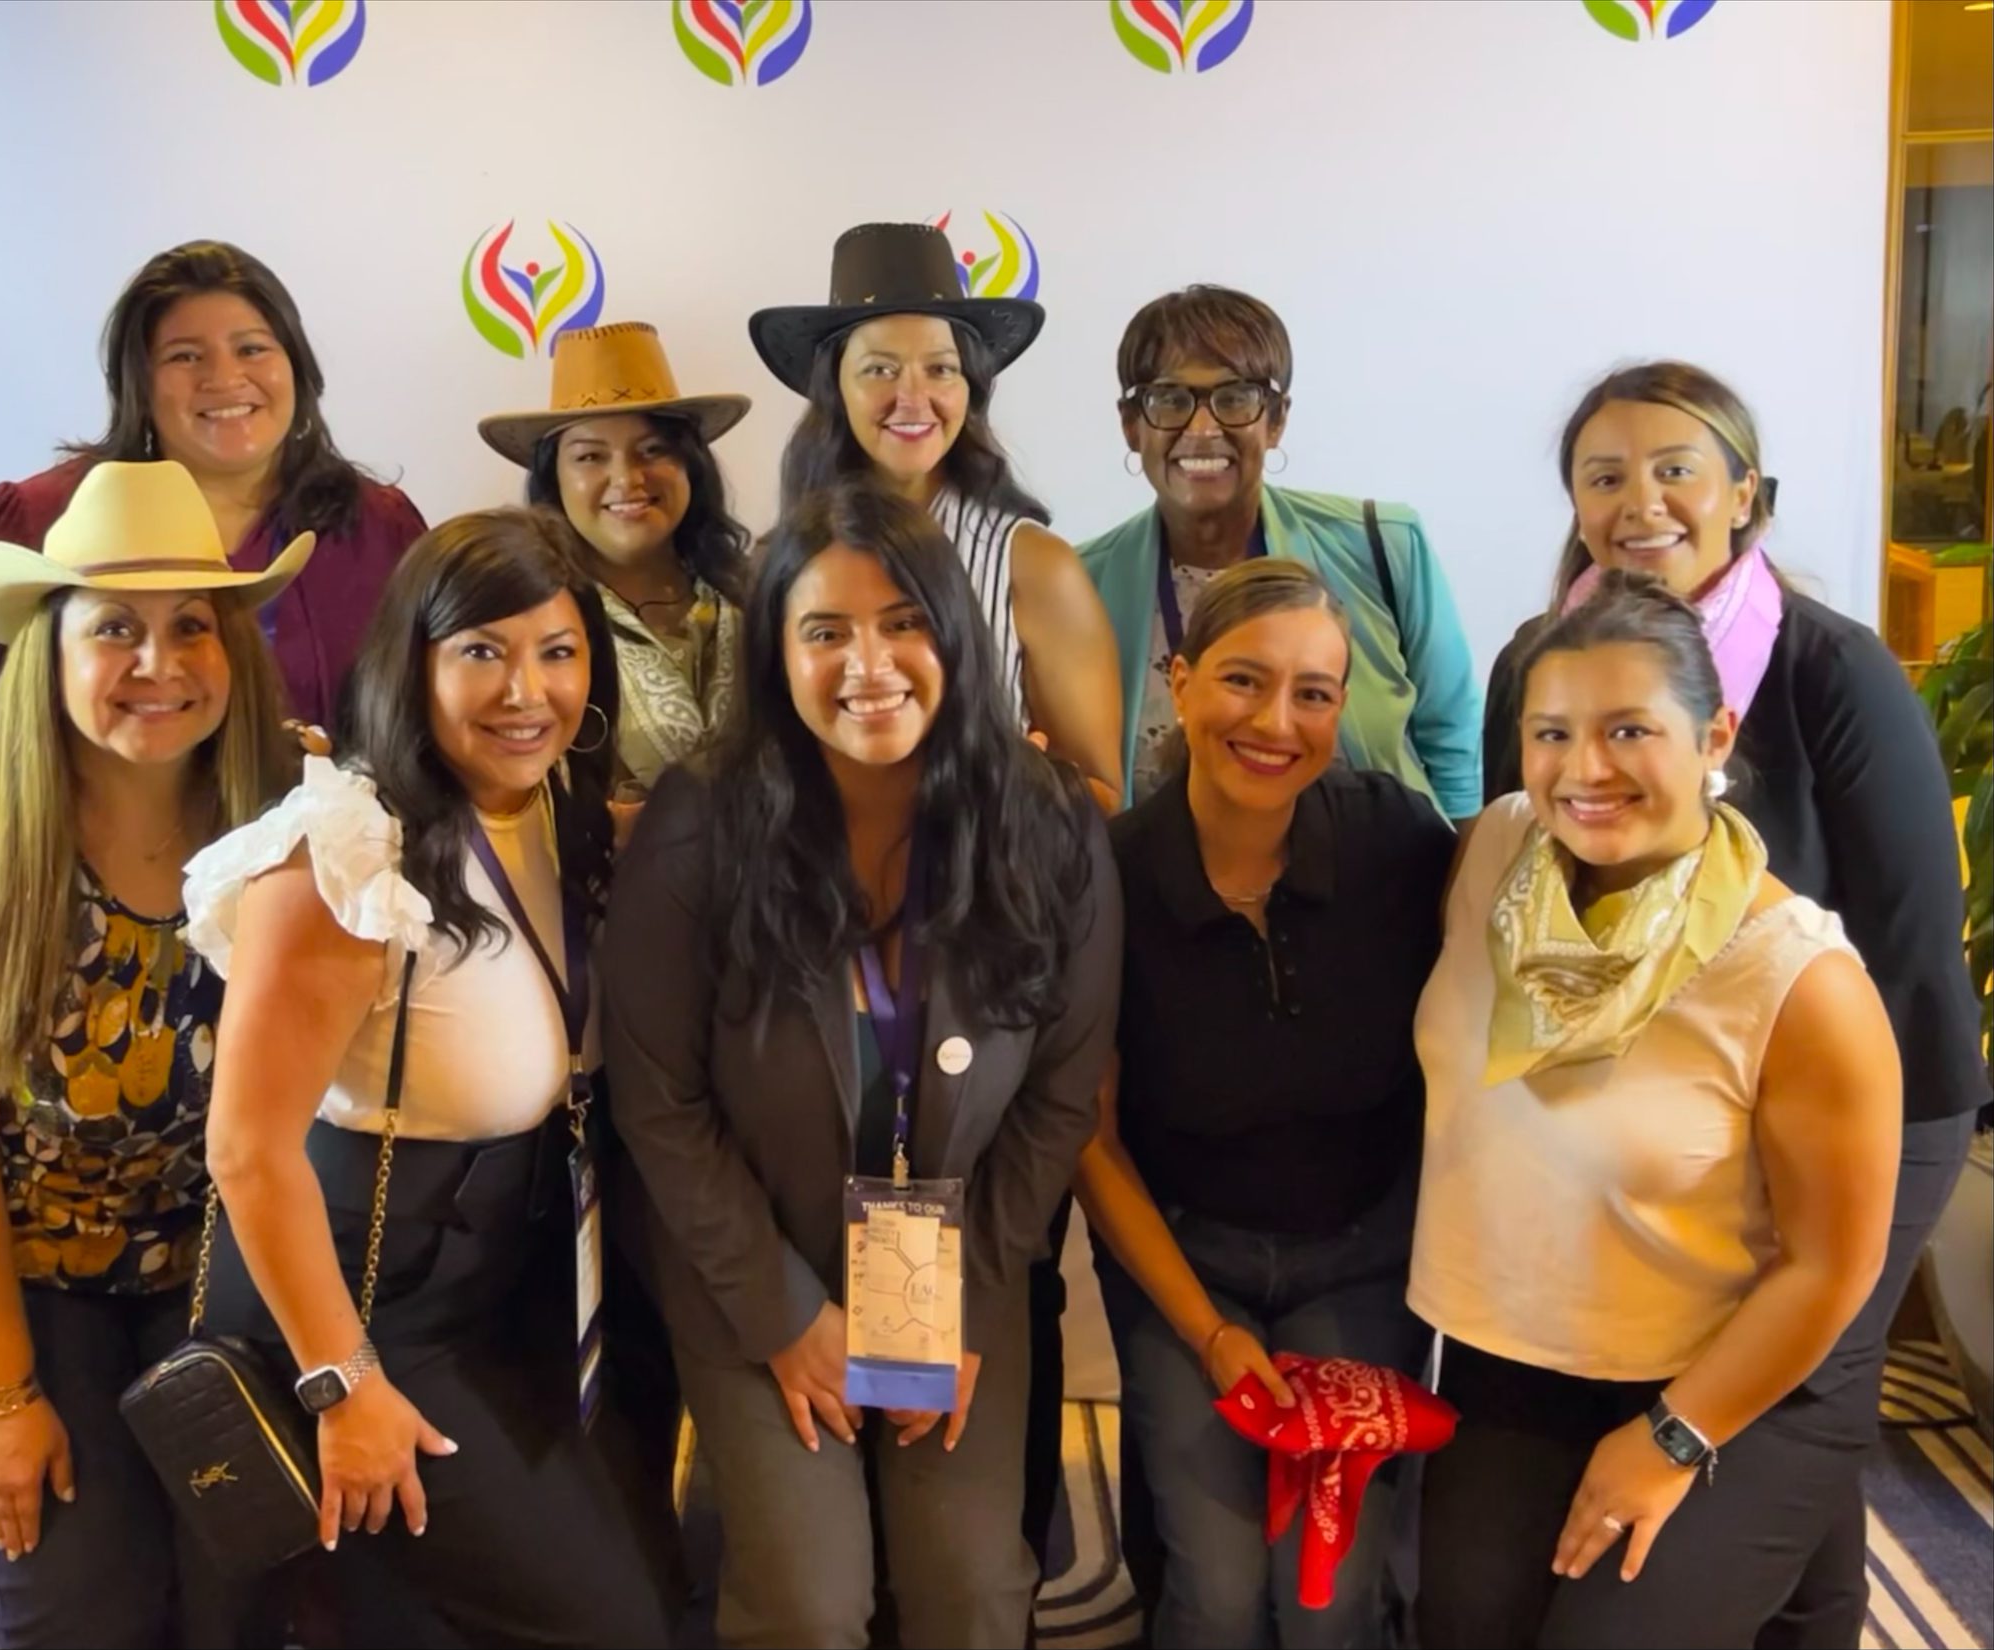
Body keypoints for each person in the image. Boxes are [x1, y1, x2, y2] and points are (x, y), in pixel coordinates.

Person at [1478, 362, 1989, 1645]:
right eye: (1604, 477)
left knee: (1781, 1401)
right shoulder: (1534, 671)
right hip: (1671, 1136)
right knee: (1762, 1447)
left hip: (1869, 1117)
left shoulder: (1834, 673)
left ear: (1742, 494)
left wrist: (1883, 1199)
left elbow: (1919, 959)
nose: (1638, 502)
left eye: (1674, 470)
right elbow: (1524, 884)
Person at [603, 478, 1120, 1648]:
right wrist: (784, 1315)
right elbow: (661, 1101)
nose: (868, 663)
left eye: (904, 624)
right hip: (752, 1255)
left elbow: (1057, 1096)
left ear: (956, 636)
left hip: (958, 1256)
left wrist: (963, 1299)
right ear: (776, 655)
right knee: (808, 1597)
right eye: (824, 631)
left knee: (971, 1589)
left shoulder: (1047, 824)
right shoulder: (701, 821)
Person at [181, 508, 686, 1647]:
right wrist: (339, 1384)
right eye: (481, 653)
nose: (525, 691)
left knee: (653, 1581)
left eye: (557, 653)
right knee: (610, 1625)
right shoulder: (347, 854)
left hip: (531, 1283)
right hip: (376, 1305)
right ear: (411, 662)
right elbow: (246, 1152)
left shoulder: (558, 808)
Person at [1412, 572, 1902, 1647]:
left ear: (1714, 731)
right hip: (1517, 1362)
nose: (1583, 770)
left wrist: (1674, 1437)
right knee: (1457, 1624)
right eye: (1551, 733)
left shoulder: (1798, 978)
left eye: (1628, 728)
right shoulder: (1495, 853)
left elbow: (1831, 1267)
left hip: (1728, 1383)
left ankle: (1799, 1564)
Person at [0, 462, 302, 1646]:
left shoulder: (288, 820)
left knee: (236, 1566)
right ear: (47, 655)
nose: (157, 665)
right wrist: (4, 1402)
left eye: (189, 629)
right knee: (80, 1587)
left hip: (200, 1244)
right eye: (115, 628)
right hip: (10, 1245)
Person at [1076, 559, 1451, 1649]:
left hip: (1361, 1254)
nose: (1275, 722)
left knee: (1326, 1602)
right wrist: (1202, 1331)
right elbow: (1088, 1142)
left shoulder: (1399, 846)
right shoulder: (1109, 874)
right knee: (1219, 1594)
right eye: (1242, 681)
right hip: (1184, 1264)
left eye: (1314, 694)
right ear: (1180, 681)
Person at [0, 240, 425, 780]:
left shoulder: (381, 530)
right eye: (185, 355)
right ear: (139, 384)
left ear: (296, 366)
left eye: (252, 349)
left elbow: (430, 711)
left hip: (336, 853)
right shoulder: (40, 522)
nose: (224, 377)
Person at [753, 220, 1125, 798]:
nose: (912, 396)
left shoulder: (1034, 566)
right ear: (835, 388)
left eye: (940, 368)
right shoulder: (775, 565)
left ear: (969, 387)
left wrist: (1006, 779)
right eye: (879, 369)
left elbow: (1101, 798)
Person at [1078, 285, 1480, 815]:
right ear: (1132, 426)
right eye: (1170, 400)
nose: (1202, 429)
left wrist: (1457, 893)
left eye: (1235, 397)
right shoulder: (1078, 587)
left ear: (1277, 419)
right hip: (1159, 895)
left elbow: (1455, 758)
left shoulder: (1384, 544)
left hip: (1386, 887)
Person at [481, 320, 752, 793]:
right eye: (590, 457)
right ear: (554, 480)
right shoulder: (526, 620)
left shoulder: (756, 594)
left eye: (653, 450)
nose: (627, 479)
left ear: (691, 466)